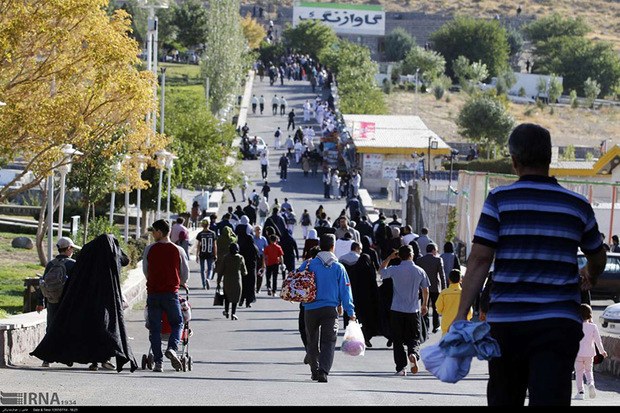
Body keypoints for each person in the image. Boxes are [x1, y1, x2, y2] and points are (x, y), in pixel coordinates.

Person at [454, 123, 607, 406]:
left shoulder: (499, 201)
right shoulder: (576, 205)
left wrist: (461, 314)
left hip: (507, 328)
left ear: (514, 161)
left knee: (505, 399)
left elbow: (479, 260)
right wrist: (590, 274)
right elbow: (598, 256)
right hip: (557, 325)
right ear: (549, 160)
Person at [31, 234, 137, 372]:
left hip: (80, 301)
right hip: (104, 302)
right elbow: (124, 260)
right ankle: (99, 361)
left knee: (61, 327)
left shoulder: (86, 253)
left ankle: (51, 357)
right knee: (103, 330)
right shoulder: (109, 255)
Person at [303, 234, 356, 383]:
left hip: (310, 308)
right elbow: (345, 291)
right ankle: (323, 372)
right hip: (330, 310)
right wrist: (350, 312)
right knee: (329, 342)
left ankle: (314, 369)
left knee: (311, 340)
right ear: (333, 247)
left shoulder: (309, 264)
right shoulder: (339, 267)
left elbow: (299, 281)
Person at [143, 219, 190, 372]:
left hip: (153, 294)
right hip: (171, 294)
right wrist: (180, 282)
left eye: (153, 231)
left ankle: (158, 362)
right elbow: (184, 273)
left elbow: (146, 270)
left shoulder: (150, 249)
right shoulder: (178, 250)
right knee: (177, 323)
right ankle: (172, 348)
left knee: (155, 328)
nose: (152, 234)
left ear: (160, 232)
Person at [379, 245, 429, 376]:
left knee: (398, 339)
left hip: (397, 308)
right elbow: (426, 290)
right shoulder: (419, 271)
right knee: (414, 337)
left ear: (399, 256)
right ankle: (413, 353)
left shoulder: (395, 269)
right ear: (412, 255)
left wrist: (390, 257)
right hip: (413, 309)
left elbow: (381, 271)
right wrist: (424, 304)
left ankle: (401, 367)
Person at [35, 237, 79, 368]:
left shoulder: (51, 264)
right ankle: (67, 357)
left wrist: (40, 301)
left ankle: (46, 359)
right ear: (69, 248)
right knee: (68, 329)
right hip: (67, 303)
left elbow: (43, 283)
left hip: (52, 301)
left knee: (51, 329)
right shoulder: (72, 264)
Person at [340, 242, 382, 347]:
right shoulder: (363, 263)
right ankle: (364, 337)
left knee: (350, 315)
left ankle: (350, 337)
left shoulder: (344, 261)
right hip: (364, 296)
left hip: (350, 292)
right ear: (357, 248)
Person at [574, 304, 608, 400]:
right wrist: (602, 351)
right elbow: (598, 341)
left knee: (579, 373)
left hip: (578, 353)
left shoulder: (576, 326)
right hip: (590, 354)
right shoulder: (593, 327)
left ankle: (580, 392)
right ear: (590, 315)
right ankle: (590, 383)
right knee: (589, 371)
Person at [416, 243, 445, 334]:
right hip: (435, 287)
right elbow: (442, 275)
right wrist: (444, 288)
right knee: (436, 307)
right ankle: (436, 326)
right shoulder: (438, 260)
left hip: (423, 287)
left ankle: (425, 326)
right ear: (433, 250)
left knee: (424, 306)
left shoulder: (420, 260)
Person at [436, 269, 471, 336]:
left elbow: (439, 309)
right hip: (460, 323)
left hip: (447, 323)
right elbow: (469, 312)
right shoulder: (465, 293)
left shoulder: (444, 293)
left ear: (449, 279)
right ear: (461, 280)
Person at [217, 243, 246, 320]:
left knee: (227, 296)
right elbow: (244, 271)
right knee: (235, 297)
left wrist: (218, 281)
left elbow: (221, 270)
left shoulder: (226, 257)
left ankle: (226, 311)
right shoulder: (240, 258)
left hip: (227, 280)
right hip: (237, 280)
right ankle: (233, 313)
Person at [237, 230, 258, 309]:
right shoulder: (254, 248)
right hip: (252, 269)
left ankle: (241, 299)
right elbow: (258, 257)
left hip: (244, 269)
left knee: (243, 285)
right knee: (251, 286)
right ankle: (249, 301)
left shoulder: (243, 247)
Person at [196, 220, 217, 290]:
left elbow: (198, 245)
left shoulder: (200, 234)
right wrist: (216, 254)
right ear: (208, 225)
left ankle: (204, 284)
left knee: (202, 269)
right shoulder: (213, 233)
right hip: (210, 253)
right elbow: (214, 245)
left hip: (202, 253)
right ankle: (208, 278)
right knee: (210, 268)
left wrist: (197, 255)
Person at [253, 225, 268, 294]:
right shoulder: (252, 239)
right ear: (254, 231)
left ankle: (258, 288)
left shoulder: (263, 239)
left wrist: (265, 260)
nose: (258, 231)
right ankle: (253, 287)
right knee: (253, 273)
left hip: (261, 257)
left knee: (260, 273)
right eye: (257, 230)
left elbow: (266, 249)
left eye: (259, 230)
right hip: (254, 257)